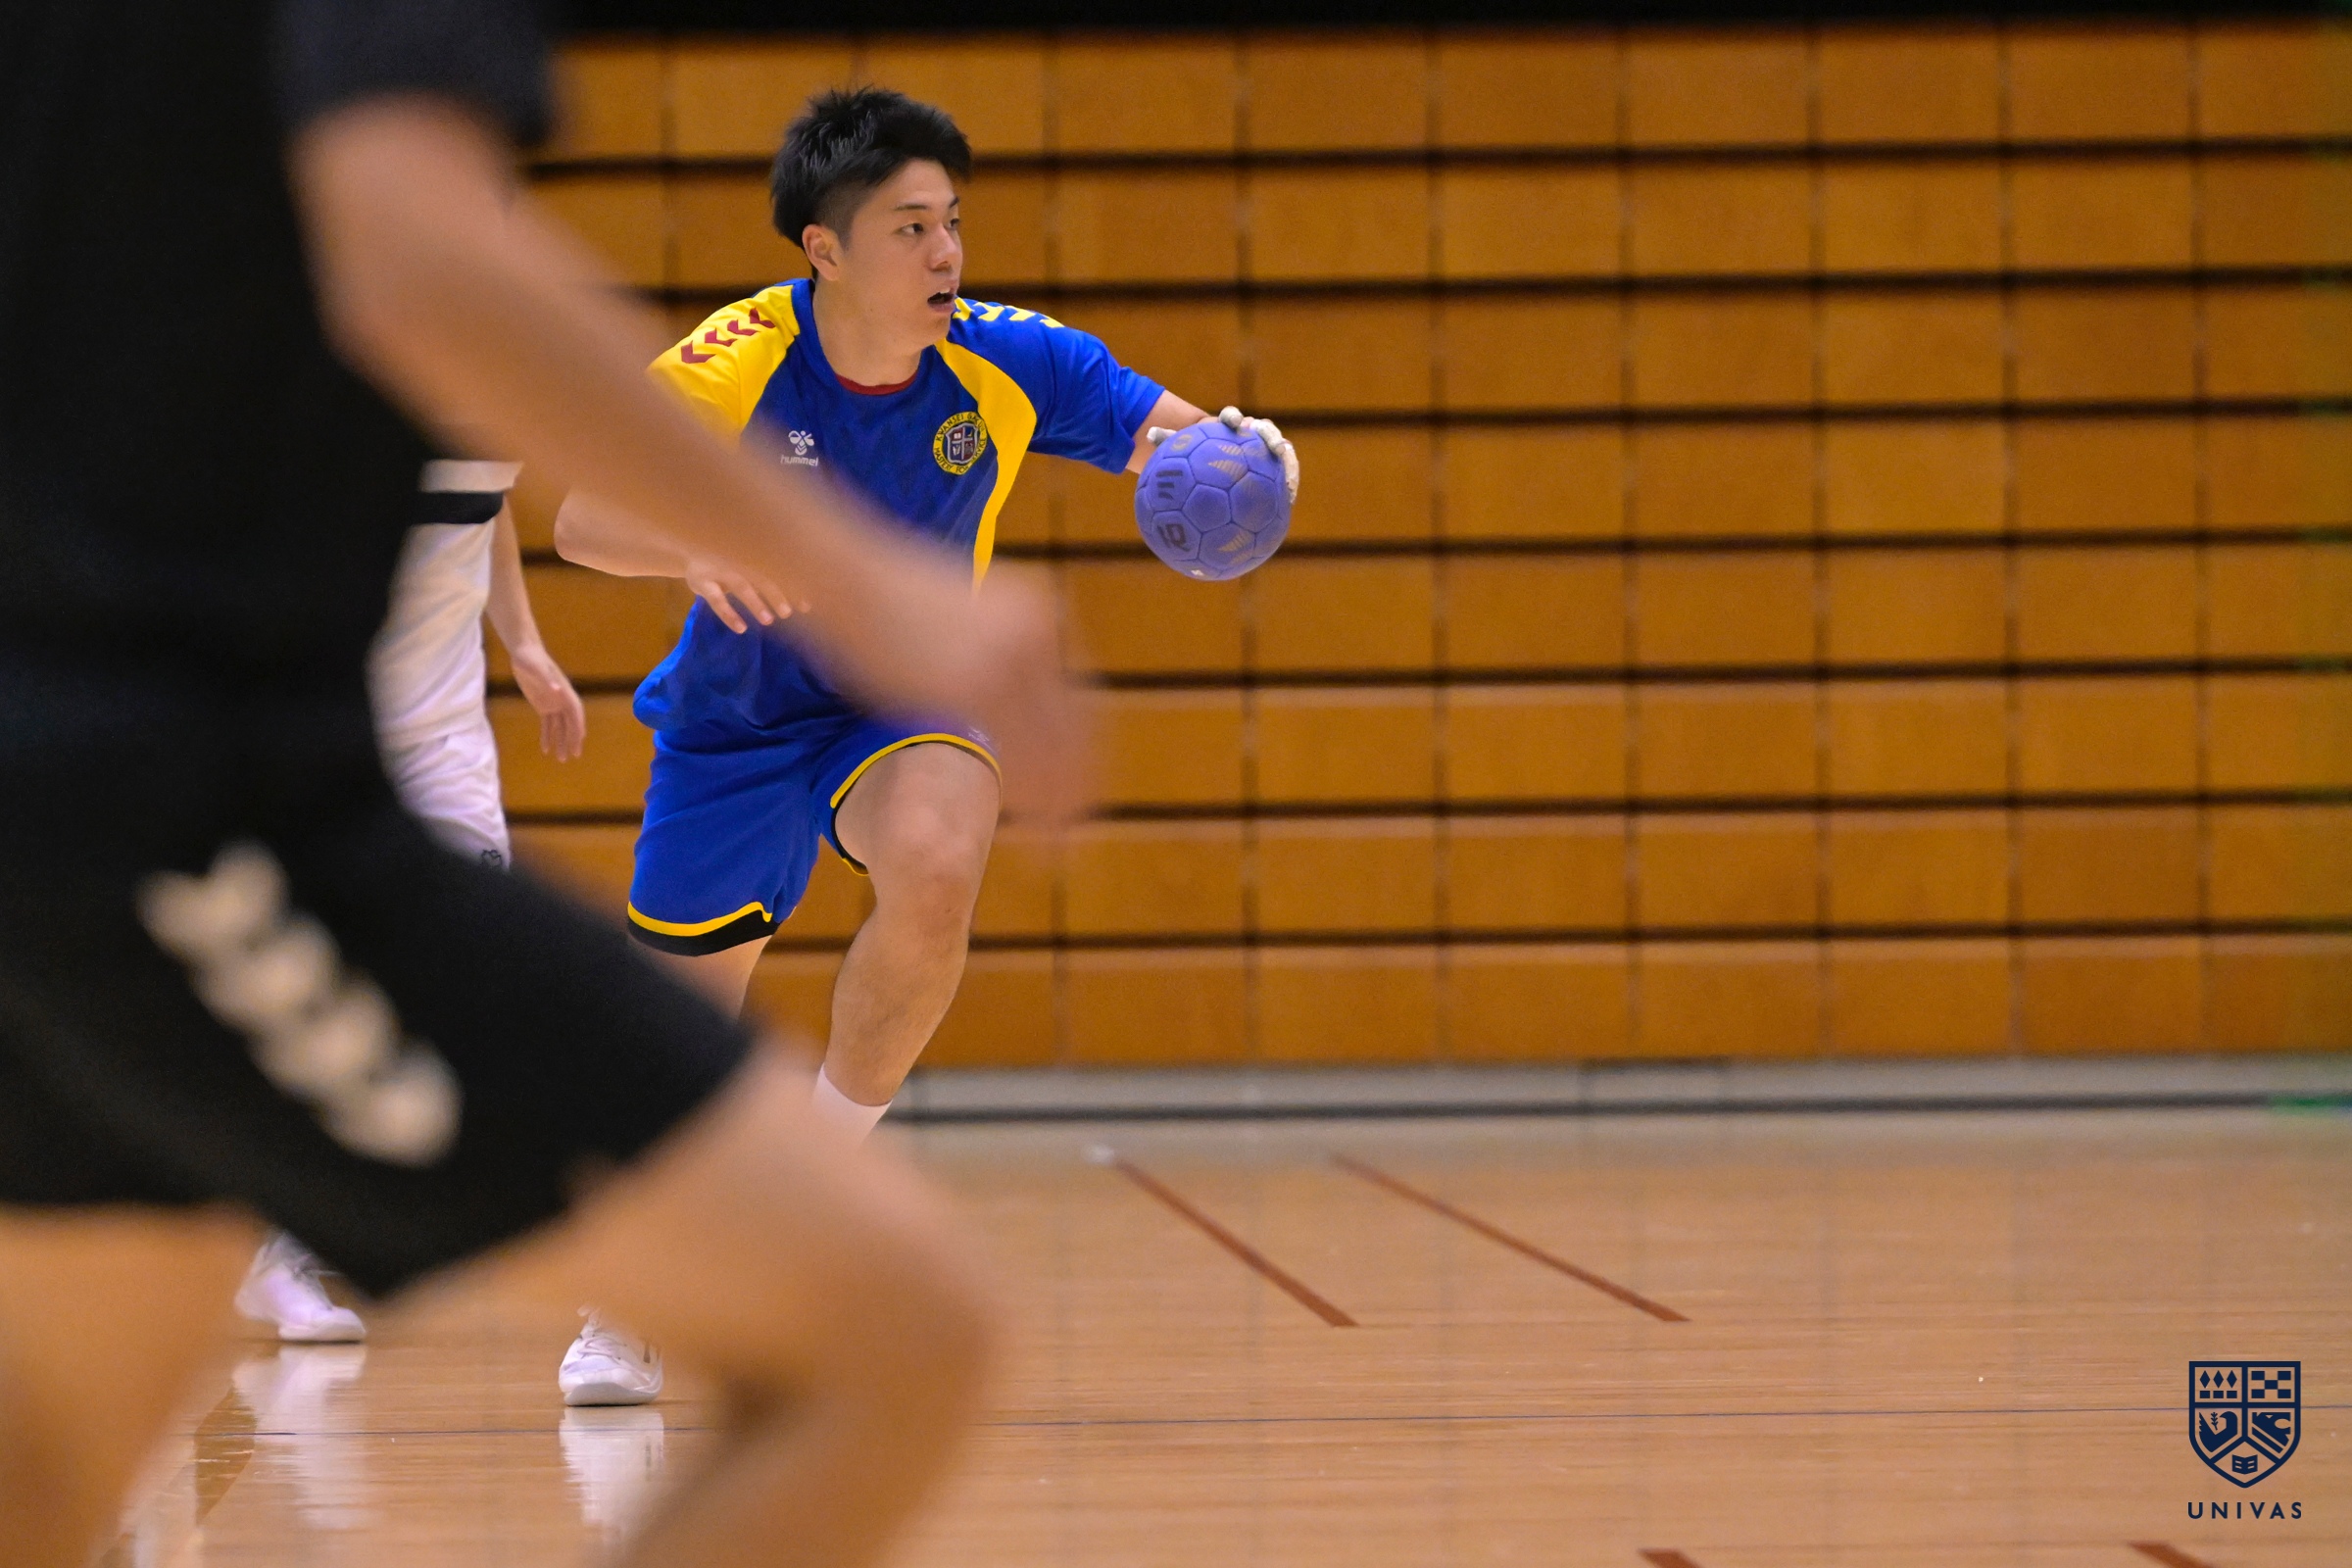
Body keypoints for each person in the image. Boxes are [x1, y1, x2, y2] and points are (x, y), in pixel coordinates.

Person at [0, 5, 1090, 1566]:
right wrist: (863, 581)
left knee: (43, 1475)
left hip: (78, 756)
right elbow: (412, 250)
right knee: (896, 1339)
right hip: (184, 789)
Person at [552, 86, 1298, 1404]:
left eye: (951, 221)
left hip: (907, 703)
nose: (946, 252)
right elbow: (582, 523)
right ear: (825, 250)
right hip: (735, 722)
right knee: (670, 1044)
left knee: (941, 852)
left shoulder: (1015, 359)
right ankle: (636, 1294)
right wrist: (694, 543)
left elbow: (1193, 444)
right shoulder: (735, 358)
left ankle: (816, 1195)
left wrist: (1258, 463)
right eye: (910, 229)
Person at [236, 466, 587, 1344]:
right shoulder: (331, 419)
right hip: (329, 731)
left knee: (477, 978)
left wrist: (525, 642)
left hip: (446, 744)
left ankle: (424, 1211)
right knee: (312, 986)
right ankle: (275, 1246)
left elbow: (488, 511)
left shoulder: (484, 408)